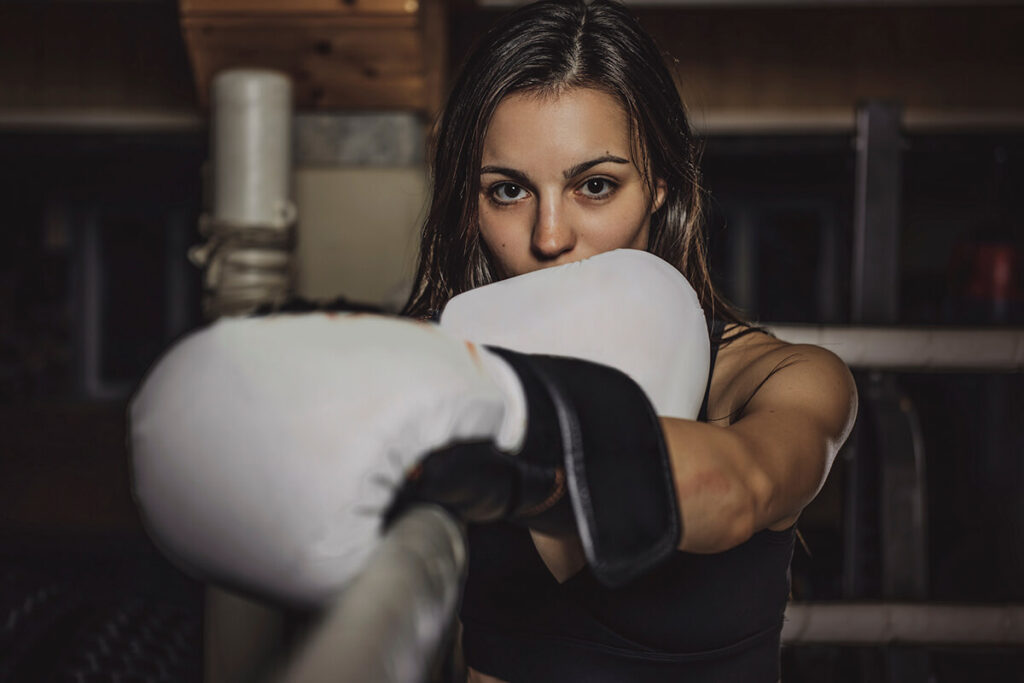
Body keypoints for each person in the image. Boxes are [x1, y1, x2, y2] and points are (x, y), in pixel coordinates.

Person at [397, 1, 858, 680]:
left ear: (659, 190)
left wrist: (506, 441)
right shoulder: (440, 361)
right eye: (508, 191)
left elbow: (738, 487)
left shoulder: (776, 379)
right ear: (471, 206)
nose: (550, 236)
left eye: (596, 185)